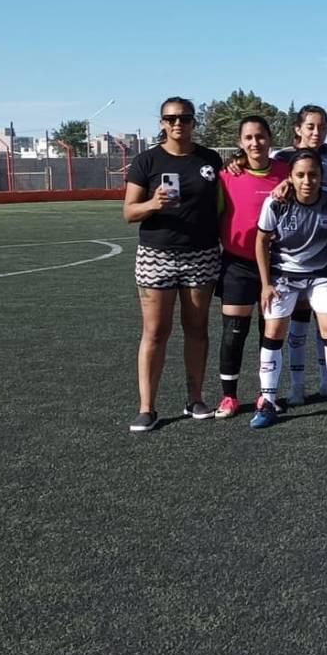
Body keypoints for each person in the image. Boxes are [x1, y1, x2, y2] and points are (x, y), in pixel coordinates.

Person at [124, 97, 224, 432]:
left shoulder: (209, 160)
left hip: (202, 254)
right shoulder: (147, 160)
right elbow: (129, 212)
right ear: (162, 122)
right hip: (158, 254)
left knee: (196, 329)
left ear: (194, 122)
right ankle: (147, 408)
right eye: (170, 118)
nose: (177, 124)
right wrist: (153, 203)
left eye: (184, 118)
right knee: (155, 332)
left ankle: (195, 398)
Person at [250, 149, 327, 428]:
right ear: (291, 177)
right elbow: (261, 241)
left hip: (324, 274)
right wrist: (265, 284)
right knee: (273, 332)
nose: (307, 180)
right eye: (300, 175)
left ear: (321, 176)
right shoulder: (276, 203)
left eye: (313, 174)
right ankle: (268, 402)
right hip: (283, 275)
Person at [213, 115, 290, 418]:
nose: (255, 143)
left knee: (268, 331)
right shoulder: (227, 176)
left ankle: (265, 393)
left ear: (270, 139)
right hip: (238, 264)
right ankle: (229, 396)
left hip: (278, 265)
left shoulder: (287, 172)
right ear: (239, 143)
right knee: (234, 330)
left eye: (260, 136)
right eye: (248, 138)